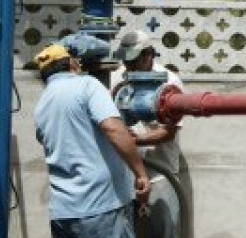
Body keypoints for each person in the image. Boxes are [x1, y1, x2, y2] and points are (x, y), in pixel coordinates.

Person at [34, 43, 151, 238]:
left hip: (63, 214)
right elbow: (113, 129)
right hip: (101, 208)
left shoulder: (42, 103)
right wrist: (140, 174)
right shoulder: (87, 85)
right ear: (71, 64)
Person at [112, 30, 184, 238]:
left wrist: (133, 140)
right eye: (125, 61)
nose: (129, 66)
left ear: (148, 55)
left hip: (160, 174)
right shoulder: (118, 77)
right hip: (126, 175)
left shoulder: (169, 83)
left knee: (164, 231)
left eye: (133, 61)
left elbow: (169, 131)